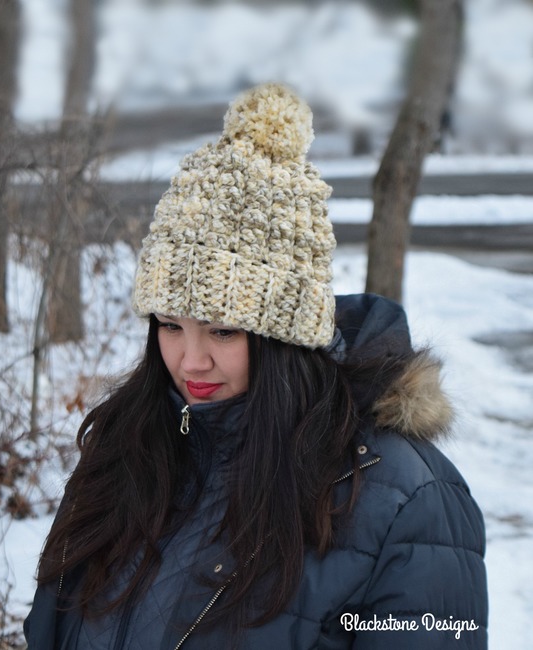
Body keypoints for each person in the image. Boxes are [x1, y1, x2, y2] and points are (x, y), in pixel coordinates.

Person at [24, 83, 488, 649]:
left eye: (223, 330)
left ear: (285, 338)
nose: (190, 361)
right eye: (170, 326)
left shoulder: (406, 500)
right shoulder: (127, 445)